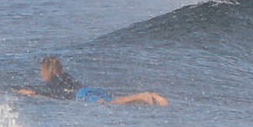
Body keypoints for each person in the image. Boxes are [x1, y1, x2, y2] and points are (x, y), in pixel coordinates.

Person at [15, 55, 168, 105]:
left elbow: (53, 92)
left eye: (43, 72)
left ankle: (142, 96)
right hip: (90, 90)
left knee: (110, 104)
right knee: (115, 102)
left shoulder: (53, 80)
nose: (42, 75)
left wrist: (34, 93)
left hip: (83, 95)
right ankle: (151, 97)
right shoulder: (65, 76)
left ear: (48, 71)